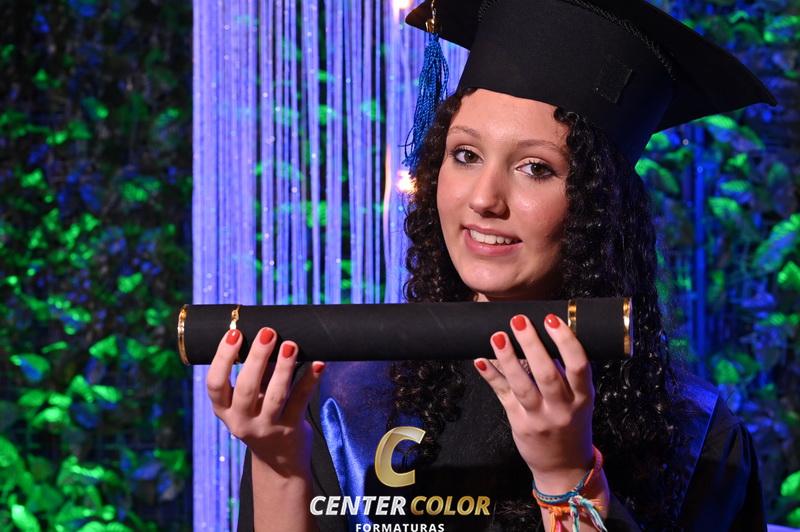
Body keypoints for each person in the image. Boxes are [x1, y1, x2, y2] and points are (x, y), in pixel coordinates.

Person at [207, 0, 776, 530]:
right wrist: (280, 465)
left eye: (536, 168)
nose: (483, 199)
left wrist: (566, 475)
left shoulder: (696, 438)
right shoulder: (343, 402)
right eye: (465, 155)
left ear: (600, 206)